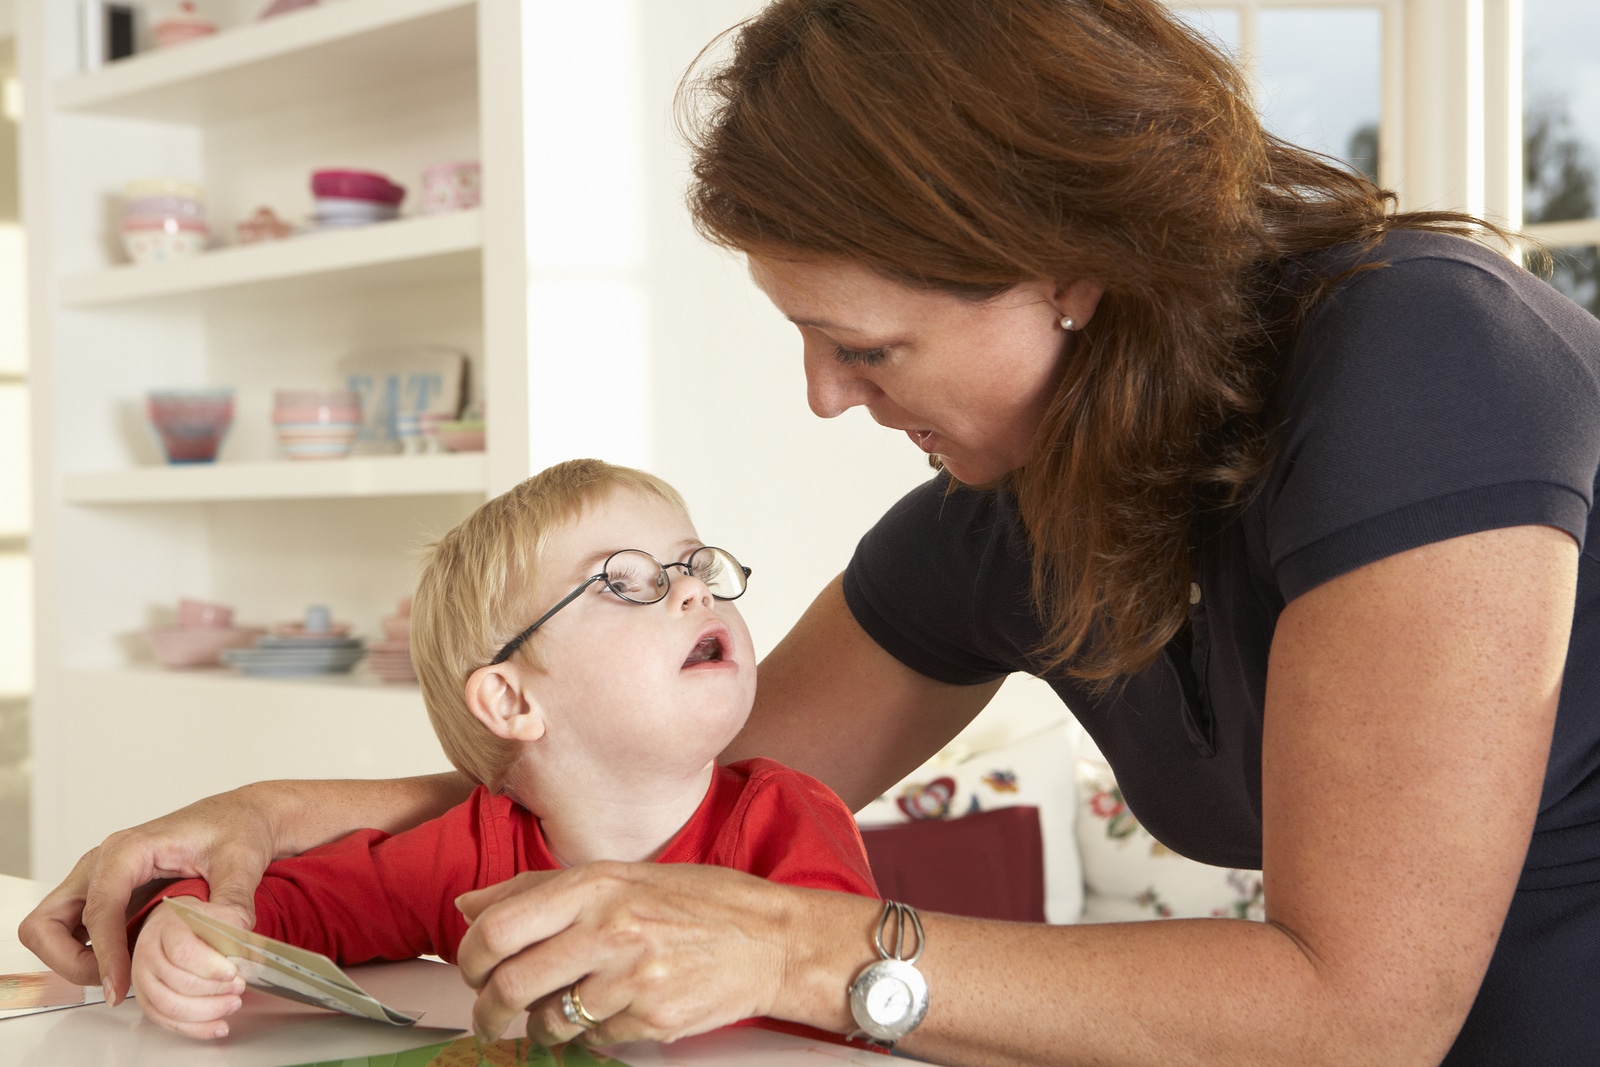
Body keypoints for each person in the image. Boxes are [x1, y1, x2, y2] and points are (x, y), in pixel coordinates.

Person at [21, 0, 1600, 1062]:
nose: (828, 398)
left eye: (868, 345)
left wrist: (796, 944)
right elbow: (661, 764)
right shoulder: (1026, 511)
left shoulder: (1423, 363)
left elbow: (1363, 1007)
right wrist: (274, 812)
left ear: (1064, 263)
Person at [121, 458, 877, 1040]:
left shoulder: (791, 818)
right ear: (512, 700)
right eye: (624, 581)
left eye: (694, 565)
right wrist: (186, 924)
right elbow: (290, 905)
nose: (694, 592)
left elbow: (850, 1014)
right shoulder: (470, 850)